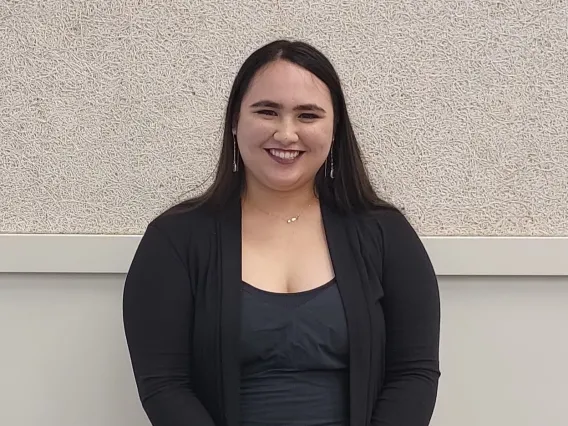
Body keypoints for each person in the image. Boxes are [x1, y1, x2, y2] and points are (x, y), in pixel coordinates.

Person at [122, 39, 441, 426]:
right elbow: (164, 385)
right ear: (235, 122)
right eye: (268, 111)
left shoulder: (386, 235)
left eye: (308, 115)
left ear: (335, 128)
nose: (286, 134)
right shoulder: (174, 240)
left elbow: (413, 373)